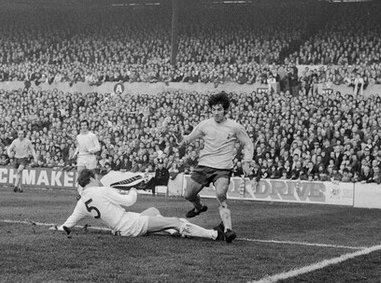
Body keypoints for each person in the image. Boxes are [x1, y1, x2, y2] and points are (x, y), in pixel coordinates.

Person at [51, 169, 228, 241]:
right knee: (175, 220)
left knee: (153, 210)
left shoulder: (81, 202)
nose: (98, 180)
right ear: (91, 179)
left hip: (122, 226)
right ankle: (214, 234)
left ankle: (172, 231)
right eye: (95, 178)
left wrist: (58, 228)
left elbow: (67, 224)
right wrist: (134, 189)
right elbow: (129, 201)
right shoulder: (101, 190)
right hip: (129, 224)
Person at [179, 92, 255, 243]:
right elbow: (189, 138)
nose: (216, 112)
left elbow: (248, 143)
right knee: (188, 195)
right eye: (213, 109)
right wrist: (182, 140)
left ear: (225, 110)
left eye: (219, 109)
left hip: (223, 168)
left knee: (221, 194)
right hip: (204, 165)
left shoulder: (235, 127)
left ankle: (228, 230)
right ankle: (199, 207)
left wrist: (246, 161)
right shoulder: (205, 124)